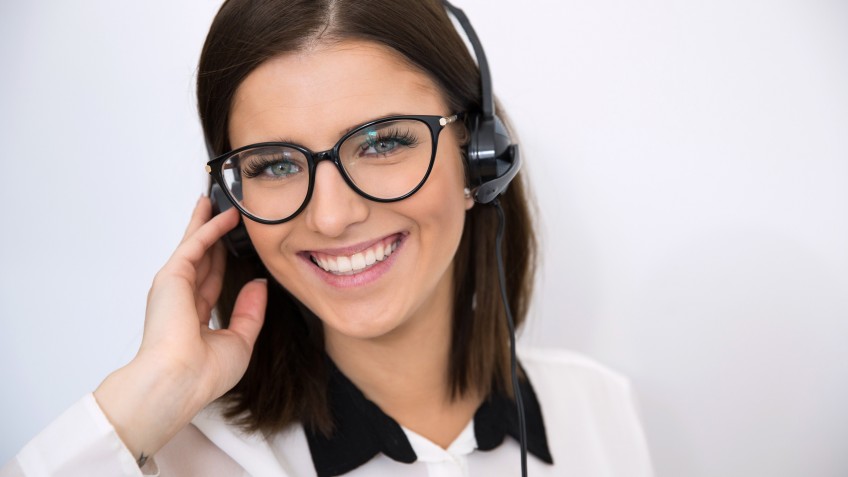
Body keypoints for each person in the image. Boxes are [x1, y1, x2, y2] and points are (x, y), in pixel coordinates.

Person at [2, 0, 653, 476]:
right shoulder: (176, 457)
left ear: (479, 157)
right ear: (233, 200)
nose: (333, 215)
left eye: (383, 142)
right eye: (276, 164)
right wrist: (149, 393)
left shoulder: (598, 408)